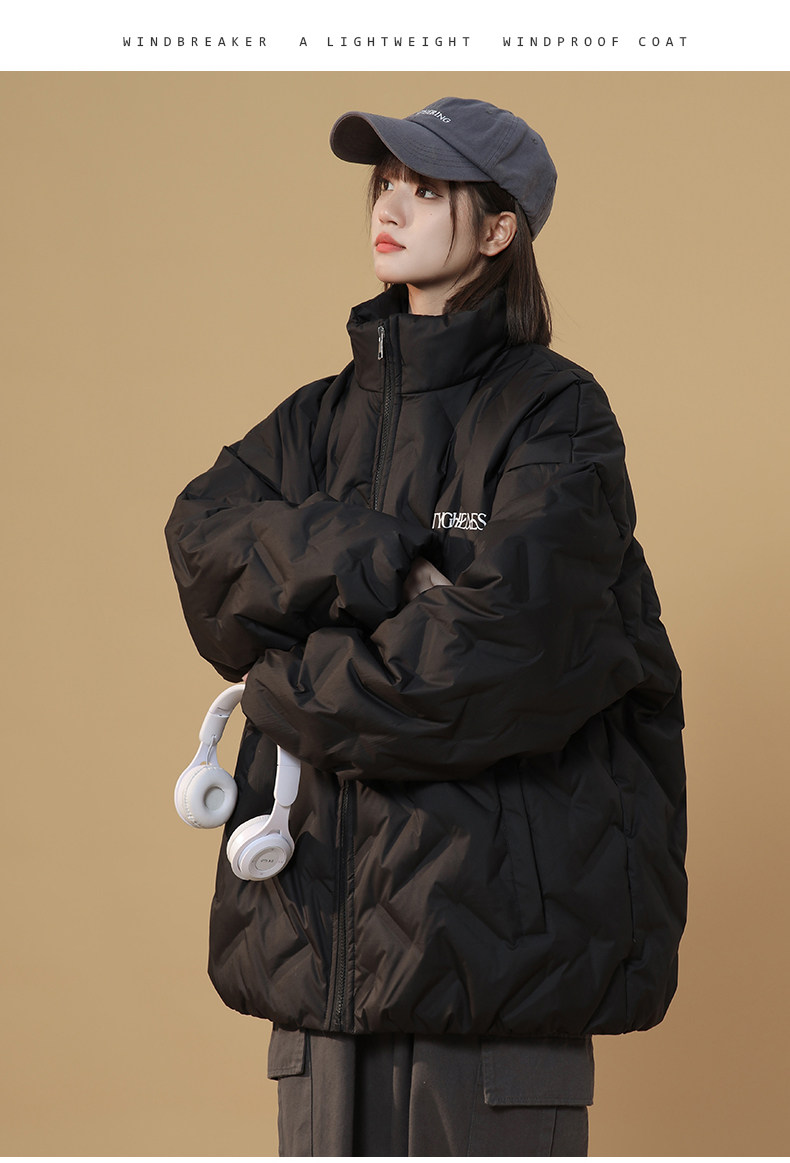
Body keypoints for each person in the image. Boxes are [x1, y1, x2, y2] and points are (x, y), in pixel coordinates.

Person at [165, 96, 687, 1157]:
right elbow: (202, 547)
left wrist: (282, 680)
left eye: (427, 187)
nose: (390, 206)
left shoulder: (558, 420)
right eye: (385, 183)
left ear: (498, 228)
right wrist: (383, 558)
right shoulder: (314, 420)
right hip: (318, 980)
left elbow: (490, 661)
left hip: (490, 985)